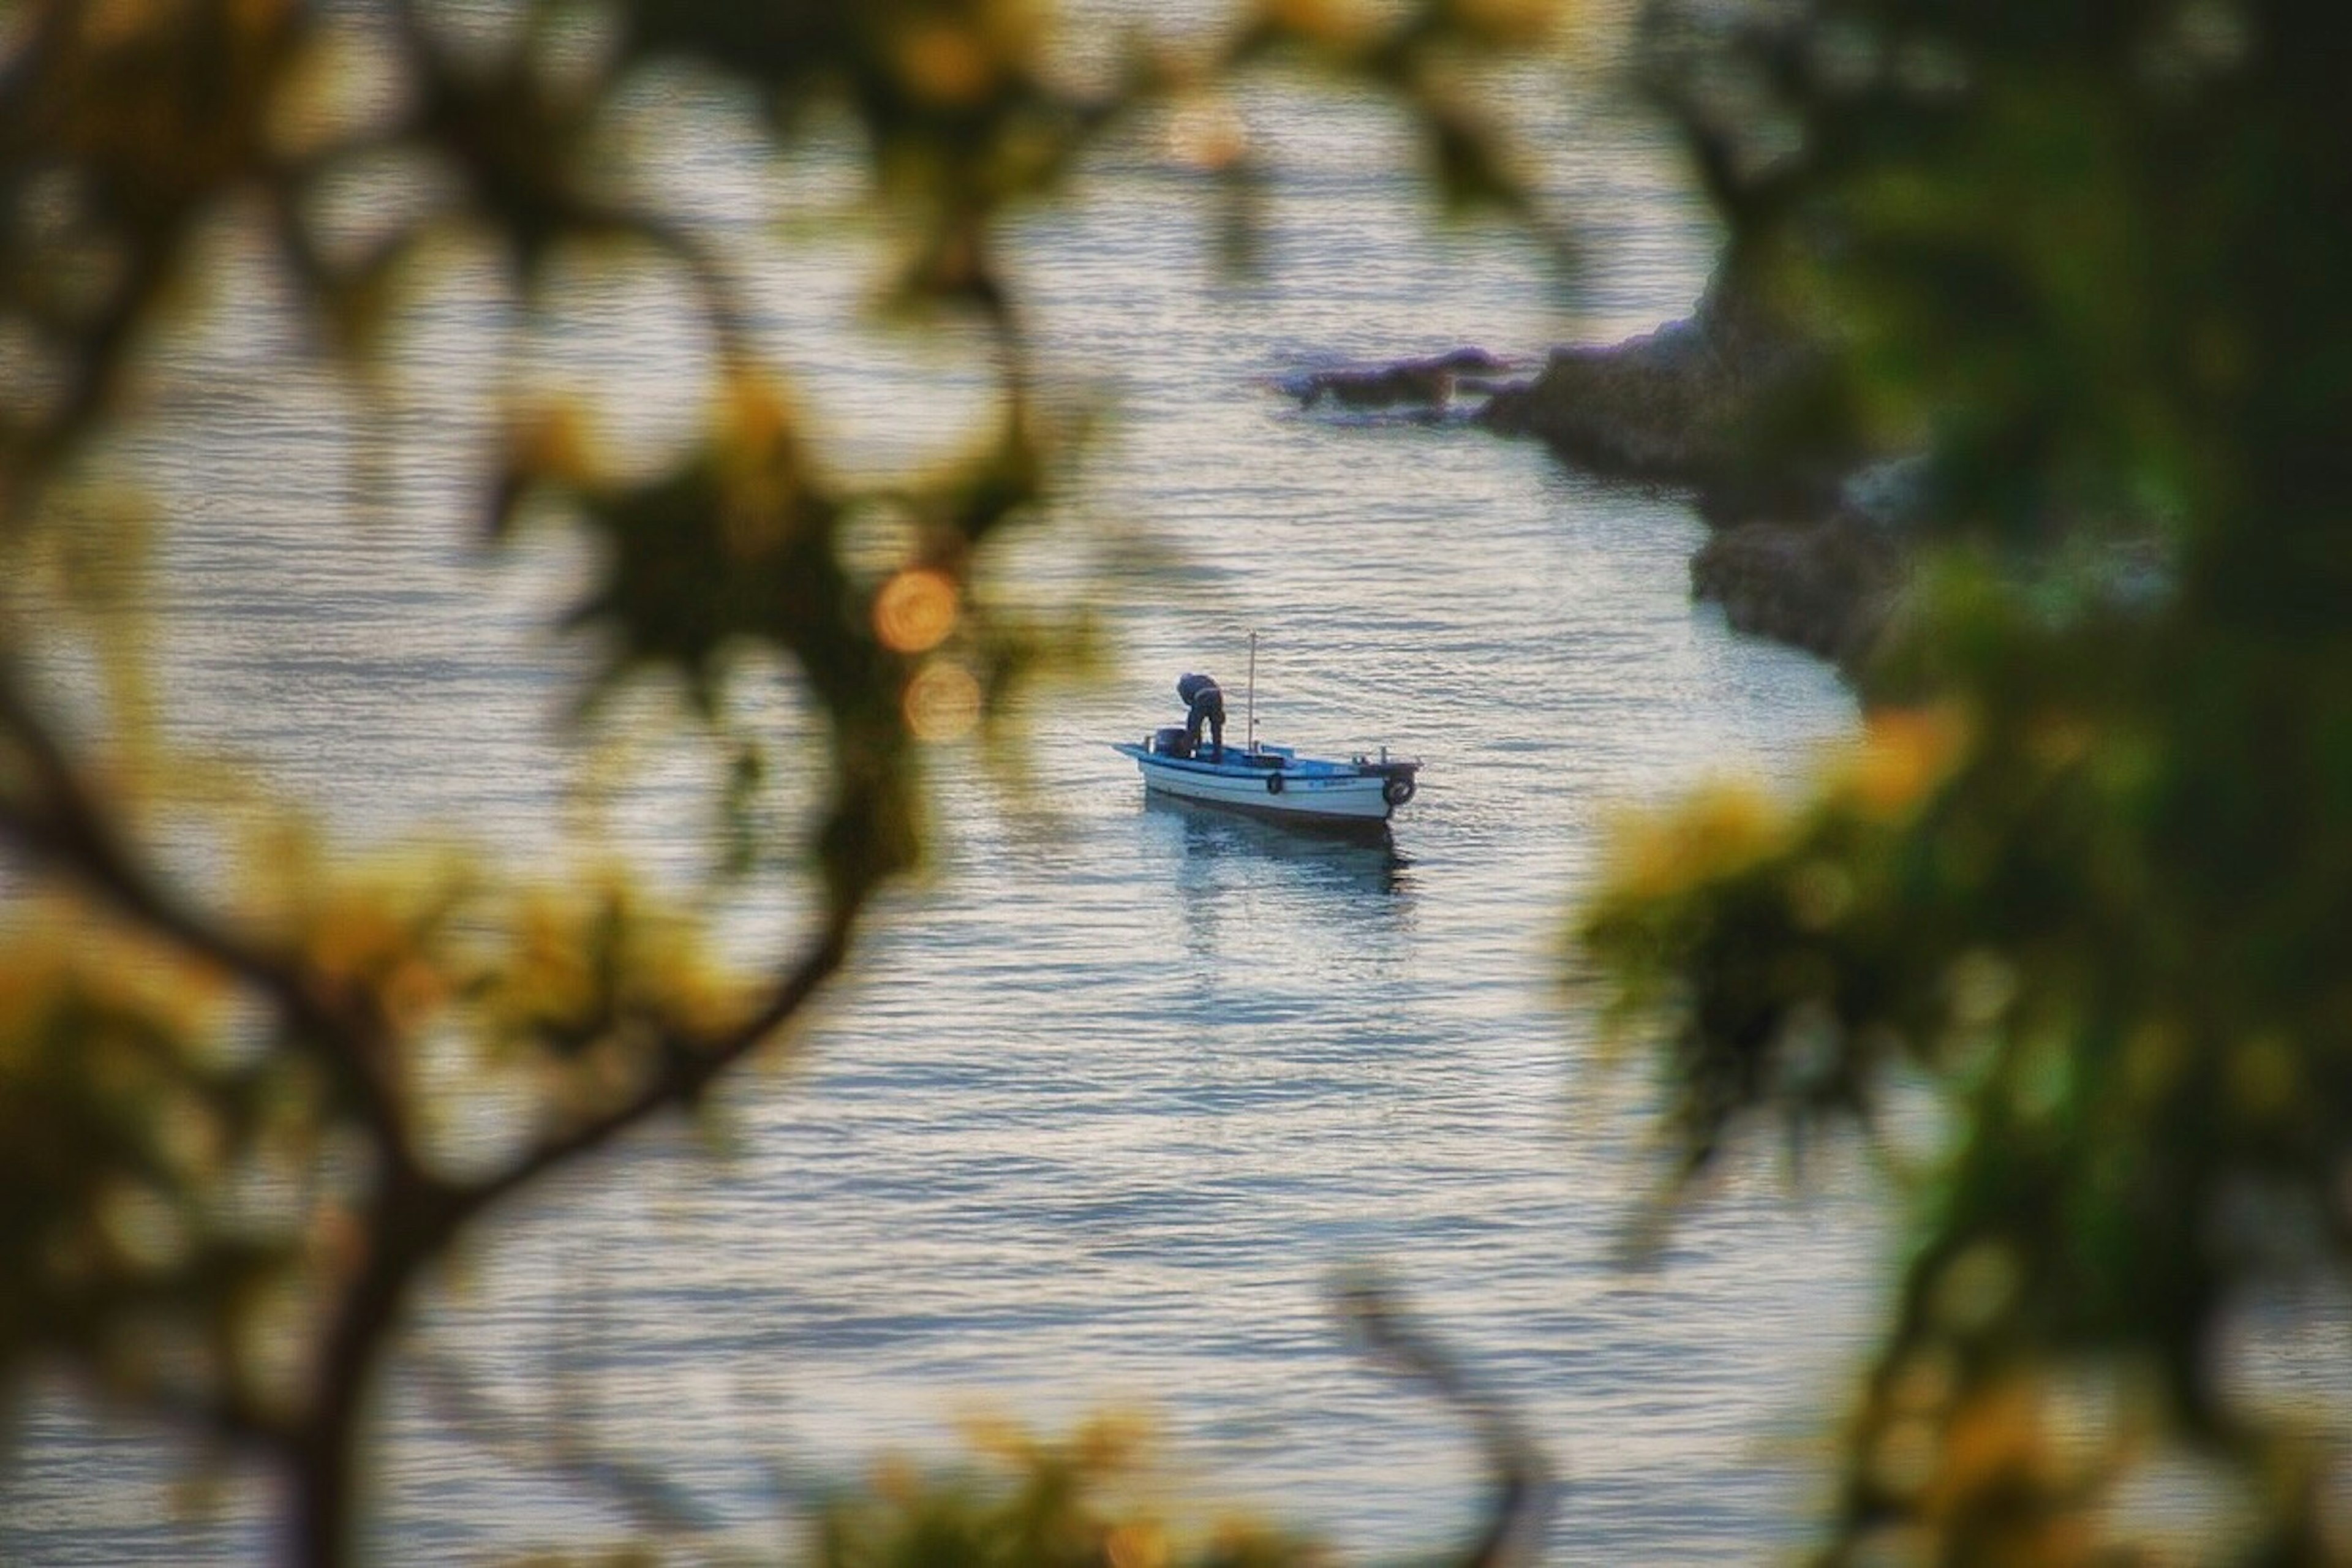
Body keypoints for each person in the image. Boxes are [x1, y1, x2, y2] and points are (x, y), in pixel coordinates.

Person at [1176, 672, 1226, 761]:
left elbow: (1188, 702)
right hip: (1217, 695)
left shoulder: (1182, 685)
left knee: (1193, 728)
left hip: (1202, 697)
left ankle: (1184, 754)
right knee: (1216, 729)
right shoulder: (1203, 678)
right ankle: (1218, 756)